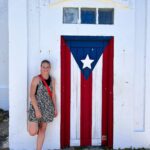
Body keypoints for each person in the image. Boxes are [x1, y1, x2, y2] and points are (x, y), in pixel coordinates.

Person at [28, 59, 57, 150]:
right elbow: (32, 95)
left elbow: (53, 95)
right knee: (33, 131)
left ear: (50, 68)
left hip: (48, 108)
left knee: (42, 130)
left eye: (47, 67)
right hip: (36, 107)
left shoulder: (52, 80)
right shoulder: (36, 79)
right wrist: (36, 110)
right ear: (40, 68)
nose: (45, 69)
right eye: (43, 67)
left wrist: (55, 108)